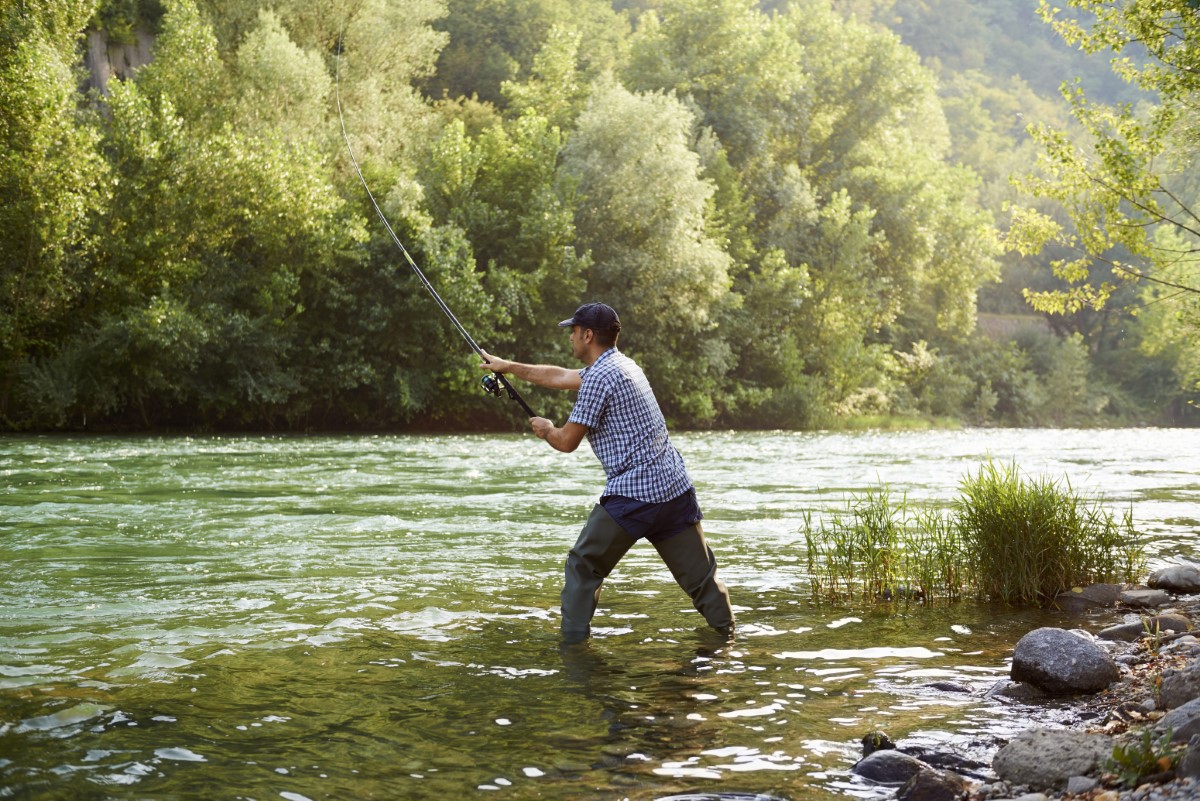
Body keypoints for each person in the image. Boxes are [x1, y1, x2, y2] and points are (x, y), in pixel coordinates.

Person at [479, 302, 734, 644]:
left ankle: (573, 650)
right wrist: (507, 367)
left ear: (587, 335)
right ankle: (728, 642)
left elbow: (567, 441)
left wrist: (546, 429)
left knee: (583, 565)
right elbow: (558, 376)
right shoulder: (623, 365)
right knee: (701, 579)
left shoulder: (598, 378)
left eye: (573, 331)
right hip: (675, 489)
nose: (570, 336)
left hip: (634, 496)